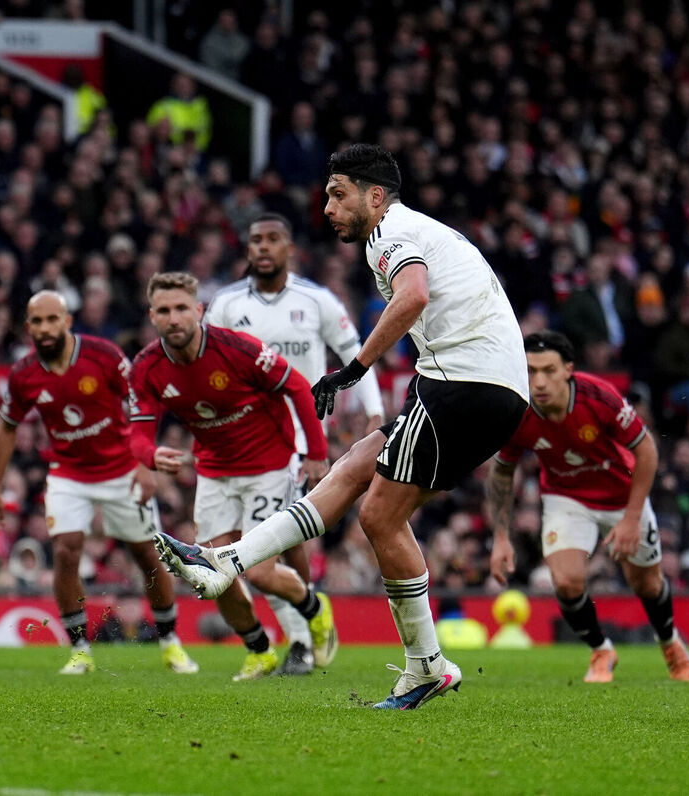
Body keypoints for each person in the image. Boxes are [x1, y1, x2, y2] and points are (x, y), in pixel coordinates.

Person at [155, 144, 529, 708]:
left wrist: (353, 369)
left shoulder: (391, 233)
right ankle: (224, 561)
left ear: (374, 196)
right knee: (354, 467)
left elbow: (415, 295)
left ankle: (427, 665)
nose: (327, 208)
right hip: (476, 384)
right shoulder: (415, 229)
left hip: (465, 382)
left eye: (338, 194)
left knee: (380, 514)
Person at [205, 211, 385, 674]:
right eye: (255, 241)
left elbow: (353, 352)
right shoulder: (225, 305)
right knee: (266, 542)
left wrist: (374, 410)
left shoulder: (317, 300)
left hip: (301, 437)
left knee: (262, 546)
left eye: (272, 239)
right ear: (247, 250)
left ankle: (302, 639)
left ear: (289, 250)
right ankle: (308, 624)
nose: (263, 247)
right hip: (242, 435)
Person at [131, 272, 334, 681]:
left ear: (199, 311)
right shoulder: (147, 367)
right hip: (214, 472)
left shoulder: (237, 349)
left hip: (268, 466)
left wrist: (316, 452)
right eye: (165, 311)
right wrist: (151, 454)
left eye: (182, 309)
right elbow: (134, 433)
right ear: (153, 316)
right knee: (208, 573)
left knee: (258, 570)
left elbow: (296, 385)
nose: (174, 319)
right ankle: (259, 650)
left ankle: (316, 610)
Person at [0, 291, 198, 676]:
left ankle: (170, 642)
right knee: (66, 552)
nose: (46, 328)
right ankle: (81, 650)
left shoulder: (104, 355)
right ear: (28, 327)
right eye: (38, 321)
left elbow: (140, 403)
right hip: (68, 473)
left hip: (122, 468)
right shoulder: (24, 375)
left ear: (67, 321)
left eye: (53, 319)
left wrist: (143, 460)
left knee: (147, 555)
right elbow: (6, 428)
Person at [488, 331, 689, 682]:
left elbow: (646, 450)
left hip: (621, 496)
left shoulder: (598, 397)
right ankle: (601, 650)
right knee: (566, 581)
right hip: (565, 498)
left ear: (568, 369)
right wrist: (500, 536)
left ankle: (670, 642)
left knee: (645, 583)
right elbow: (501, 471)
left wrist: (632, 518)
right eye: (530, 370)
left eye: (548, 370)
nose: (538, 381)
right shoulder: (517, 409)